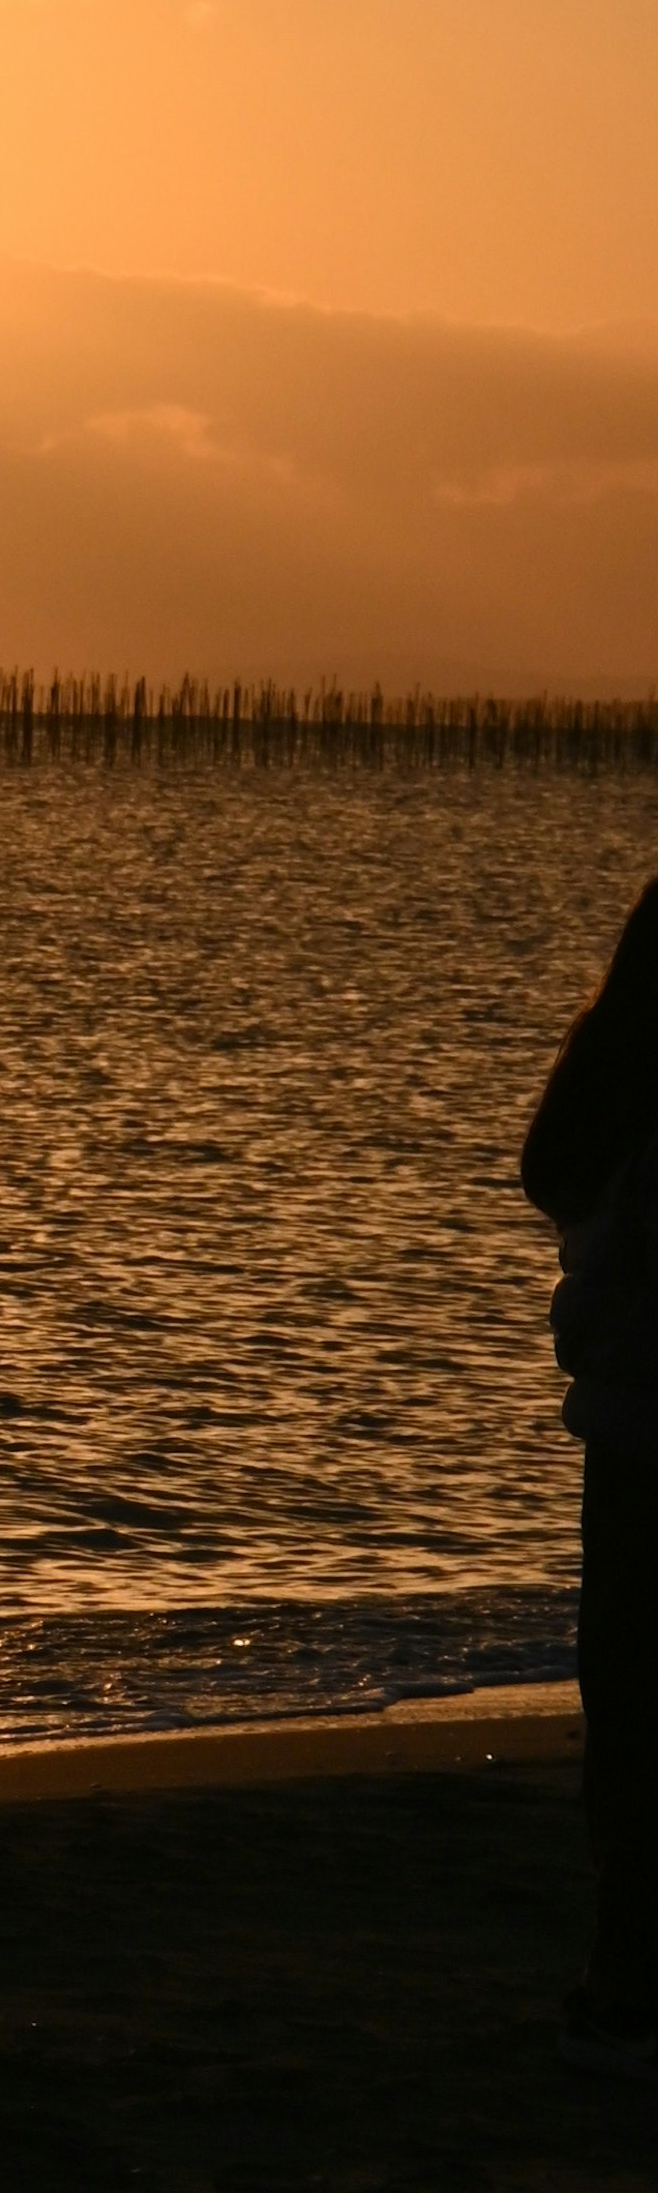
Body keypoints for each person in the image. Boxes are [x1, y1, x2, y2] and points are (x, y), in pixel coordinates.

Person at [523, 868, 658, 2081]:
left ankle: (626, 1981)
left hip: (636, 1433)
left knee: (631, 1716)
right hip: (636, 1423)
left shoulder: (612, 1083)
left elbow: (551, 1176)